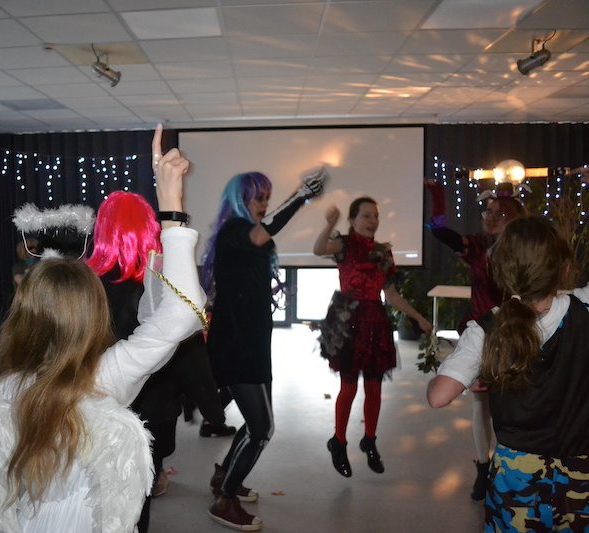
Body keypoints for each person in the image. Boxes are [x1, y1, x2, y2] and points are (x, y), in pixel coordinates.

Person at [0, 124, 206, 533]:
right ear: (93, 315)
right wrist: (171, 210)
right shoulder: (102, 380)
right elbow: (182, 314)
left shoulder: (4, 390)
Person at [427, 215, 589, 533]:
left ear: (499, 271)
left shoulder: (485, 330)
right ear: (564, 268)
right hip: (581, 474)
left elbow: (438, 397)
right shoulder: (584, 308)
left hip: (516, 477)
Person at [84, 189, 233, 532]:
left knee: (100, 492)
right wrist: (212, 407)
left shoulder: (84, 283)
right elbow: (189, 352)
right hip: (154, 408)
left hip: (99, 403)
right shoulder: (162, 282)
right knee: (140, 497)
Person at [202, 168, 326, 531]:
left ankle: (225, 476)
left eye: (267, 198)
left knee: (258, 421)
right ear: (241, 200)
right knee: (261, 428)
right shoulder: (235, 230)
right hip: (236, 345)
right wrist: (300, 197)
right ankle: (224, 499)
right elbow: (261, 234)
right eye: (259, 198)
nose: (264, 204)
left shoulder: (246, 234)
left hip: (253, 342)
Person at [313, 197, 431, 478]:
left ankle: (369, 440)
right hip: (349, 321)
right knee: (349, 387)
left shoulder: (382, 252)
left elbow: (390, 294)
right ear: (353, 220)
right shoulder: (344, 244)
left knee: (374, 388)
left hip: (375, 322)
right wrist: (329, 224)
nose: (372, 221)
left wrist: (418, 317)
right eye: (366, 215)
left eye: (375, 216)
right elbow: (318, 250)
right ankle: (339, 441)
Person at [425, 180, 524, 500]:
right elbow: (439, 230)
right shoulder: (477, 248)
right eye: (488, 212)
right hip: (485, 337)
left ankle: (510, 468)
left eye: (500, 214)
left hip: (519, 337)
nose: (491, 218)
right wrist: (437, 194)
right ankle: (483, 468)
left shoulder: (526, 251)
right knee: (482, 405)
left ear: (516, 219)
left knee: (514, 405)